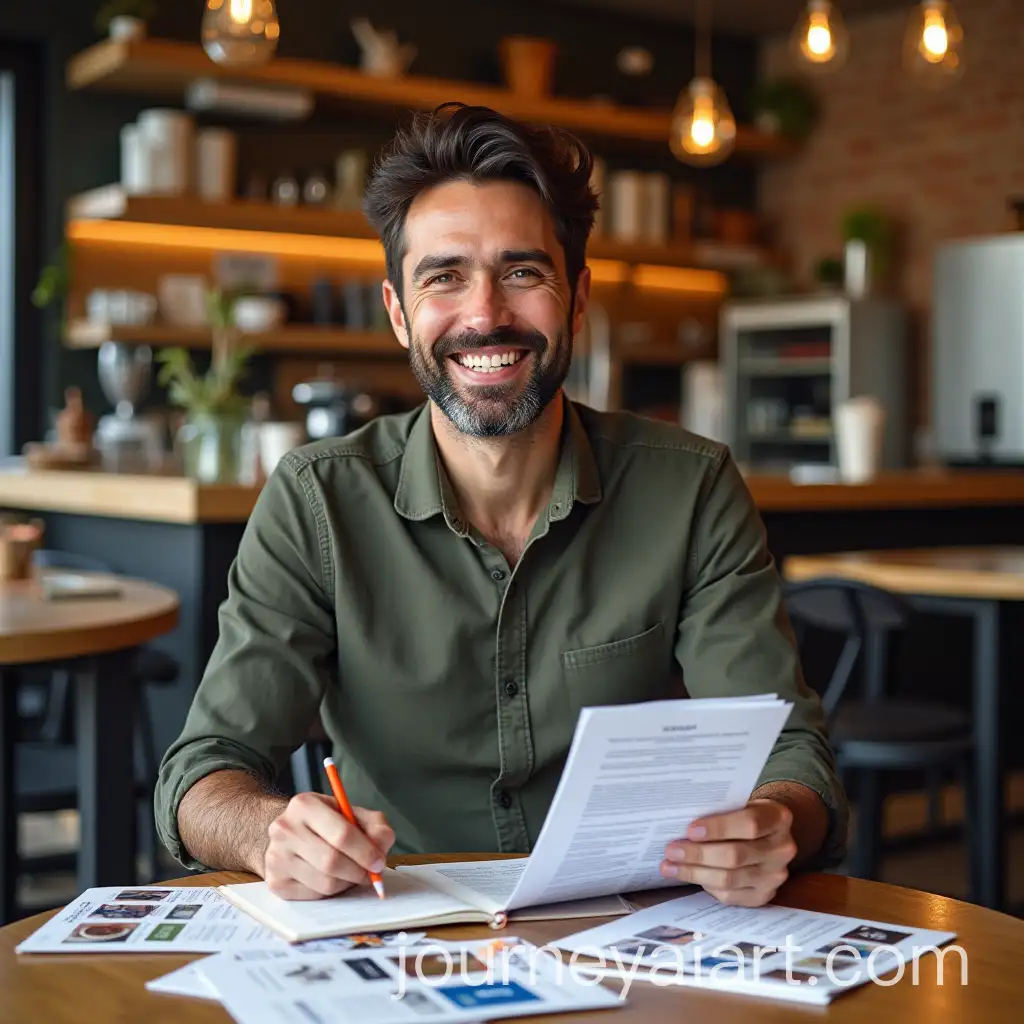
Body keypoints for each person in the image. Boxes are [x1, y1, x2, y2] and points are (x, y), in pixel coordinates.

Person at [155, 102, 848, 909]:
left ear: (577, 299)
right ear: (397, 311)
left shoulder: (690, 488)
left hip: (635, 930)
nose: (484, 314)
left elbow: (791, 750)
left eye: (523, 272)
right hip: (402, 927)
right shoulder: (318, 501)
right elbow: (203, 770)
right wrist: (268, 832)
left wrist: (774, 820)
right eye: (444, 276)